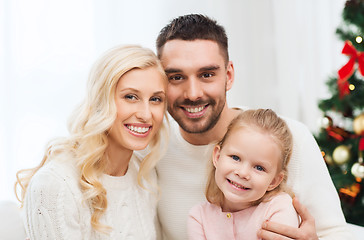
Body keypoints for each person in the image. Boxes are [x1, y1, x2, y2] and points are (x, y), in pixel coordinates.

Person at [155, 14, 355, 240]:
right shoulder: (151, 150)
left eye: (207, 74)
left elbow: (338, 233)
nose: (193, 93)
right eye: (176, 77)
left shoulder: (290, 137)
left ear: (228, 76)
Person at [15, 45, 168, 239]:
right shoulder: (56, 184)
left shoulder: (144, 176)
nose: (146, 114)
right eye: (130, 97)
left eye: (156, 99)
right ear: (100, 101)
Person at [187, 109, 300, 239]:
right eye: (235, 158)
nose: (242, 173)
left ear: (274, 181)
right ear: (217, 157)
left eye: (259, 167)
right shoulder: (199, 217)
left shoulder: (279, 208)